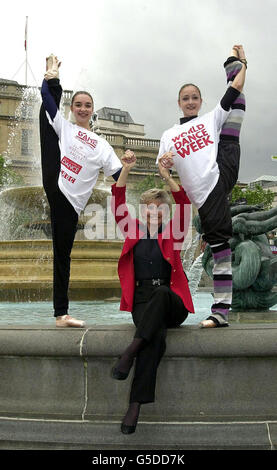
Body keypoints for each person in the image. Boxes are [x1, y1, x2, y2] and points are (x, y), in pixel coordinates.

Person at [158, 45, 247, 328]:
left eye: (195, 97)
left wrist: (241, 63)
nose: (191, 101)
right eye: (186, 98)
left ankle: (220, 311)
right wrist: (165, 164)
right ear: (179, 102)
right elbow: (163, 168)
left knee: (220, 244)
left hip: (218, 175)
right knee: (218, 241)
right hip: (203, 192)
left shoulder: (209, 119)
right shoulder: (169, 135)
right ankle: (220, 309)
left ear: (200, 100)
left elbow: (236, 92)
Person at [110, 150, 194, 434]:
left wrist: (167, 177)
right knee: (153, 339)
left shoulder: (174, 232)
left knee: (160, 298)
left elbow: (184, 203)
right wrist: (126, 168)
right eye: (149, 207)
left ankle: (130, 350)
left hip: (172, 302)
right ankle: (135, 405)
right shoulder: (132, 230)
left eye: (159, 207)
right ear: (142, 210)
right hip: (142, 303)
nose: (154, 211)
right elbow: (117, 199)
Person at [39, 55, 123, 327]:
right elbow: (47, 101)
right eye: (78, 105)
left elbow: (119, 176)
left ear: (93, 110)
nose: (83, 109)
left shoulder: (102, 145)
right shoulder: (67, 127)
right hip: (57, 183)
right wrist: (51, 80)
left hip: (72, 205)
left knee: (62, 255)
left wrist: (131, 166)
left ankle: (60, 315)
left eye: (87, 105)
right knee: (48, 121)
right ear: (72, 108)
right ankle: (54, 80)